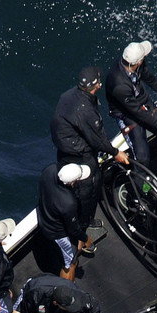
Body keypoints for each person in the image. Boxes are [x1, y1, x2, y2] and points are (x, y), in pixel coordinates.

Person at [51, 66, 129, 233]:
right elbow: (97, 140)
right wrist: (116, 153)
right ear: (97, 86)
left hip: (64, 148)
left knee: (78, 187)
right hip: (78, 152)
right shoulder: (85, 111)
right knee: (89, 187)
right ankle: (84, 222)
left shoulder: (69, 94)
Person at [104, 40, 157, 195]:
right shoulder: (118, 85)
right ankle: (136, 196)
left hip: (143, 104)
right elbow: (137, 113)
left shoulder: (137, 65)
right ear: (138, 61)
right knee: (142, 158)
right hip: (127, 115)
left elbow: (151, 80)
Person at [37, 163, 93, 281]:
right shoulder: (68, 203)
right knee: (70, 263)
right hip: (56, 233)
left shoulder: (49, 170)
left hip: (44, 216)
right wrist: (85, 238)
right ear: (71, 183)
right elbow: (74, 230)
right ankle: (66, 292)